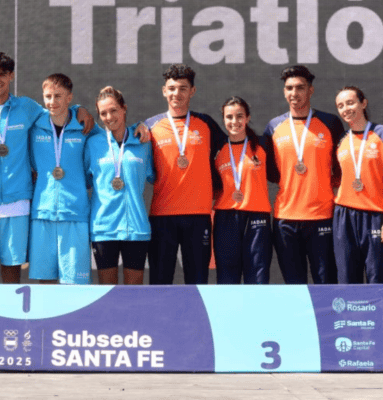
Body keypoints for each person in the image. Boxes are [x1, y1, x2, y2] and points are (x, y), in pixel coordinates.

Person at [0, 52, 95, 284]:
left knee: (12, 276)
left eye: (2, 74)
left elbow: (58, 112)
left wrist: (80, 108)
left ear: (11, 76)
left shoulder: (27, 107)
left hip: (19, 204)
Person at [263, 66, 344, 284]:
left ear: (311, 90)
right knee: (294, 286)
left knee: (326, 283)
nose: (294, 93)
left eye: (300, 87)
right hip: (285, 220)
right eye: (289, 88)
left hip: (322, 217)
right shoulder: (273, 127)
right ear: (284, 91)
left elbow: (343, 166)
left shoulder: (330, 123)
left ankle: (326, 320)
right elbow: (270, 172)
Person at [145, 64, 225, 285]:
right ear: (164, 91)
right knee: (160, 283)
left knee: (198, 282)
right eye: (171, 89)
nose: (176, 94)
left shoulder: (206, 124)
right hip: (162, 216)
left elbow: (231, 156)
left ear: (192, 91)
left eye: (182, 88)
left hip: (198, 216)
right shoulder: (149, 127)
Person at [333, 86, 383, 330]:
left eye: (350, 103)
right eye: (340, 106)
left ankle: (378, 344)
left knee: (377, 280)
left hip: (375, 216)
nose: (345, 109)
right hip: (344, 216)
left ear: (363, 103)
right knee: (347, 281)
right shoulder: (341, 140)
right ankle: (350, 341)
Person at [28, 74, 95, 284]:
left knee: (75, 284)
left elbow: (114, 136)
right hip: (42, 213)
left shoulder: (85, 128)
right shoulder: (33, 127)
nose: (52, 101)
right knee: (45, 283)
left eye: (58, 96)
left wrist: (138, 126)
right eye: (47, 96)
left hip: (74, 213)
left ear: (69, 98)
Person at [85, 86, 154, 285]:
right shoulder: (92, 143)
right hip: (103, 228)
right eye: (103, 113)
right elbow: (86, 180)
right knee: (108, 293)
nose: (109, 116)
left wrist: (143, 125)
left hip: (136, 228)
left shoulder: (143, 141)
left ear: (124, 109)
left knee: (134, 293)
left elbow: (153, 175)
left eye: (114, 110)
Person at [212, 97, 272, 284]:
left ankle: (256, 314)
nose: (234, 122)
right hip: (226, 217)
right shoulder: (216, 149)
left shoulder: (263, 144)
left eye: (239, 116)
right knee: (227, 278)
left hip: (257, 216)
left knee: (258, 276)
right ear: (223, 120)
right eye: (229, 117)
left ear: (248, 118)